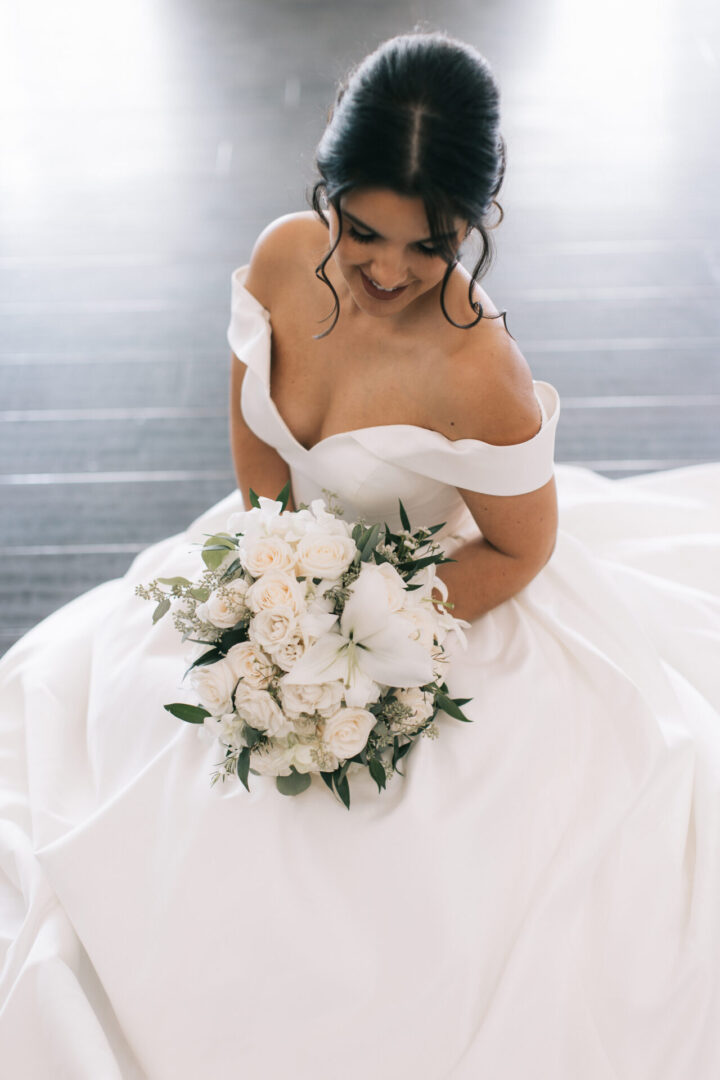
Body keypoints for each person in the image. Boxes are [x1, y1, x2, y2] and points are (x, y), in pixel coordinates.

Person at [1, 28, 720, 1080]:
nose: (387, 268)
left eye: (427, 246)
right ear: (325, 191)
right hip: (286, 566)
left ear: (473, 227)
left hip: (429, 601)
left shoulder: (483, 373)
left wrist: (363, 630)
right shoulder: (287, 256)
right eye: (362, 229)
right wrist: (274, 570)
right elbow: (255, 418)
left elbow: (522, 548)